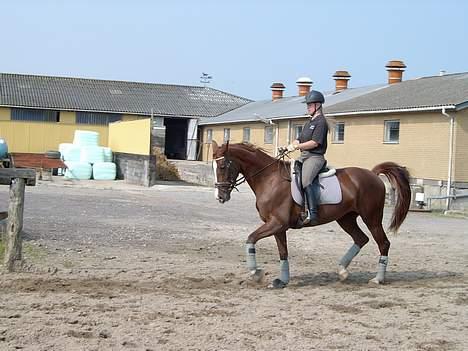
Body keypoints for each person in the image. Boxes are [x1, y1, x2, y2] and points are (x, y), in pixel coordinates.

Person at [286, 90, 328, 225]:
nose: (308, 107)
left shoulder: (321, 122)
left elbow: (314, 143)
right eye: (308, 105)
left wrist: (298, 147)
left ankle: (312, 213)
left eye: (310, 105)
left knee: (305, 180)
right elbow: (300, 138)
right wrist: (291, 144)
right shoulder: (308, 122)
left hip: (315, 157)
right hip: (304, 156)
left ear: (318, 105)